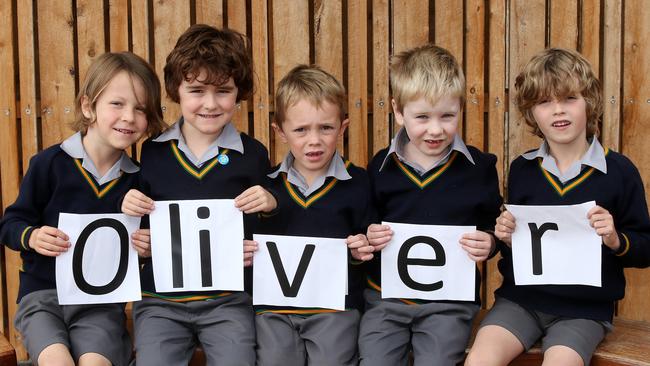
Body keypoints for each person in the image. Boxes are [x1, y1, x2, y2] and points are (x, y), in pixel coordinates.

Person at [465, 48, 650, 366]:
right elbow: (524, 249)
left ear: (589, 101)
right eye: (544, 102)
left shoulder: (619, 171)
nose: (557, 111)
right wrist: (508, 238)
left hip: (583, 311)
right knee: (479, 359)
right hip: (520, 302)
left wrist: (615, 239)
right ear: (530, 112)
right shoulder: (523, 169)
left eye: (569, 99)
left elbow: (646, 248)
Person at [120, 24, 276, 366]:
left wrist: (268, 208)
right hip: (160, 300)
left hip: (229, 300)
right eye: (196, 90)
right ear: (176, 89)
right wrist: (134, 222)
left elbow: (270, 232)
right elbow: (139, 226)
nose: (210, 103)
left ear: (239, 92)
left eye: (223, 91)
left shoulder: (253, 155)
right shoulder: (152, 153)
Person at [0, 52, 165, 366]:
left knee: (94, 363)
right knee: (57, 362)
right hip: (43, 297)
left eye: (141, 108)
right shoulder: (50, 164)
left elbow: (144, 248)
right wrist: (32, 237)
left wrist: (147, 248)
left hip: (100, 305)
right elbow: (11, 223)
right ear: (88, 107)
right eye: (117, 104)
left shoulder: (140, 180)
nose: (129, 116)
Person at [359, 44, 503, 365]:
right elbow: (363, 223)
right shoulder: (381, 167)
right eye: (422, 117)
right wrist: (369, 234)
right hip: (386, 298)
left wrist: (490, 242)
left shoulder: (479, 169)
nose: (435, 129)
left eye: (447, 116)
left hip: (449, 303)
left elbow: (496, 224)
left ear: (461, 109)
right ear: (398, 111)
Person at [251, 64, 374, 365]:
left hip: (335, 307)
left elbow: (370, 239)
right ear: (280, 132)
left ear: (342, 128)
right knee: (274, 360)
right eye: (301, 130)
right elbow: (247, 245)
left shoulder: (358, 184)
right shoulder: (265, 188)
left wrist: (360, 250)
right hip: (275, 309)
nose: (314, 140)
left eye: (326, 128)